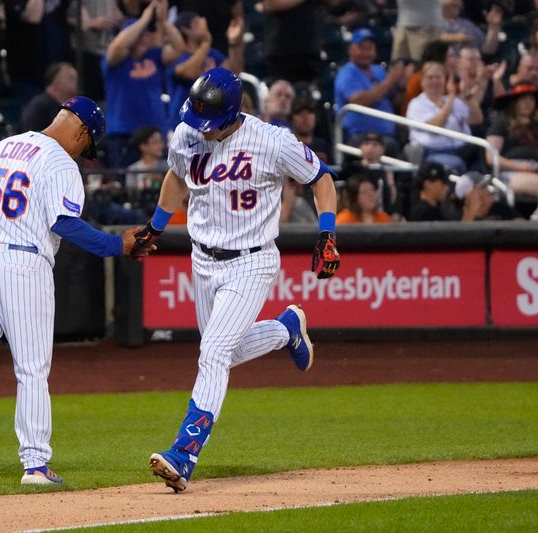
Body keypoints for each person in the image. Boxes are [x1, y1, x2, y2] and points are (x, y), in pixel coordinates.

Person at [131, 67, 339, 493]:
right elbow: (176, 176)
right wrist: (155, 226)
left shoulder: (271, 140)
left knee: (213, 352)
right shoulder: (187, 133)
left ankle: (183, 453)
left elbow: (321, 178)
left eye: (210, 122)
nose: (201, 130)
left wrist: (328, 232)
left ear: (232, 112)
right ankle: (286, 329)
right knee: (224, 352)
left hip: (252, 260)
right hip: (202, 260)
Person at [0, 96, 149, 487]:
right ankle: (35, 464)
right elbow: (66, 223)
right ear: (80, 130)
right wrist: (119, 246)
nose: (84, 152)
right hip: (23, 263)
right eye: (87, 143)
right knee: (31, 368)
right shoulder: (61, 162)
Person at [101, 0, 184, 169]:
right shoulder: (115, 60)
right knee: (127, 185)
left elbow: (178, 48)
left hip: (154, 134)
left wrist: (163, 22)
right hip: (124, 132)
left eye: (146, 33)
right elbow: (118, 46)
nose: (144, 36)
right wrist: (145, 18)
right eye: (140, 33)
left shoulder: (154, 56)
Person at [165, 10, 244, 132]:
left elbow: (233, 74)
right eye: (197, 23)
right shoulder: (177, 55)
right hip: (182, 124)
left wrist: (233, 43)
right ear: (186, 29)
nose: (204, 24)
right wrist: (206, 43)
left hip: (209, 123)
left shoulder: (212, 54)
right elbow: (187, 73)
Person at [334, 28, 406, 154]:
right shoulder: (347, 73)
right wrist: (390, 81)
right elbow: (358, 101)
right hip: (360, 137)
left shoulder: (379, 70)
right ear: (350, 50)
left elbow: (394, 99)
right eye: (362, 48)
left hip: (388, 134)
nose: (366, 52)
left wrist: (401, 84)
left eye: (370, 48)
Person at [405, 61, 483, 174]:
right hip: (433, 151)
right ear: (422, 82)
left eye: (438, 77)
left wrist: (467, 93)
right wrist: (451, 96)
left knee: (485, 154)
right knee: (455, 164)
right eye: (430, 78)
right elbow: (437, 125)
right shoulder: (417, 104)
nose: (434, 81)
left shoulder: (453, 101)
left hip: (462, 148)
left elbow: (477, 119)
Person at [485, 83, 538, 220]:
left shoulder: (537, 125)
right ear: (514, 103)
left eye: (531, 99)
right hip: (508, 173)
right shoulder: (501, 123)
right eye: (523, 99)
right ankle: (537, 219)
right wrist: (522, 167)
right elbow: (491, 157)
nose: (528, 103)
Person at [408, 161, 481, 221]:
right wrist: (470, 211)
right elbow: (450, 238)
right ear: (428, 184)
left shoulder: (436, 209)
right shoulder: (424, 213)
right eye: (442, 183)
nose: (446, 188)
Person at [20, 62, 79, 133]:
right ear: (56, 81)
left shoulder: (72, 107)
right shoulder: (39, 106)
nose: (77, 82)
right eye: (71, 78)